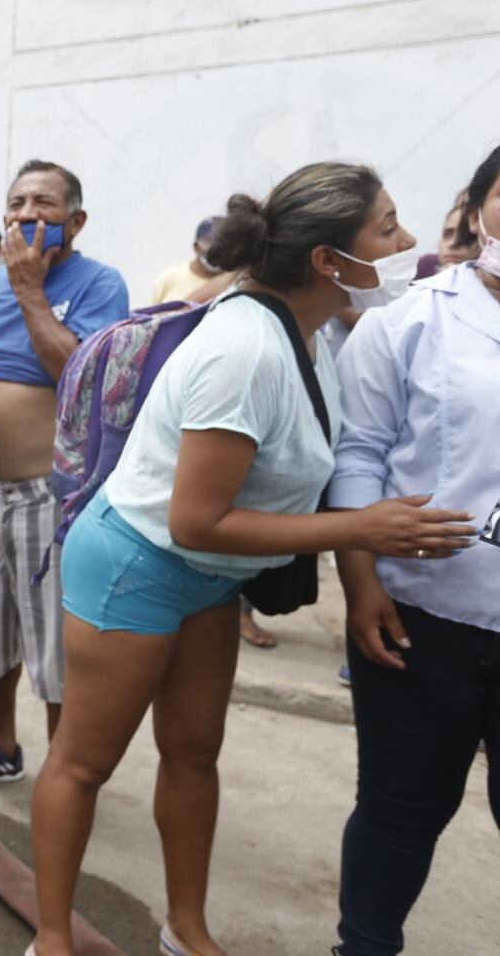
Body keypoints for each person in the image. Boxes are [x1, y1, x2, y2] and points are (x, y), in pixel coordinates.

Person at [28, 162, 470, 956]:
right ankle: (52, 937)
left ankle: (185, 926)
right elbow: (197, 519)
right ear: (328, 262)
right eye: (388, 228)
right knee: (83, 763)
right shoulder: (248, 352)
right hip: (139, 560)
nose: (407, 243)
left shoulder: (301, 328)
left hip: (210, 575)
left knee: (194, 753)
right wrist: (360, 528)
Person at [329, 148, 500, 956]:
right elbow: (358, 453)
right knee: (401, 809)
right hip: (419, 622)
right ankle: (365, 944)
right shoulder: (410, 320)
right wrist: (362, 584)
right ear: (476, 207)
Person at [0, 160, 129, 793]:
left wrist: (30, 290)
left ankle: (63, 767)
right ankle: (1, 744)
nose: (26, 214)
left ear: (75, 221)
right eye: (16, 202)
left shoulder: (101, 284)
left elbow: (87, 380)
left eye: (44, 204)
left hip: (48, 499)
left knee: (53, 644)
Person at [151, 217, 224, 304]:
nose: (214, 252)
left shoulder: (232, 283)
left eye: (222, 246)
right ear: (196, 247)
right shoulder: (169, 278)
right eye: (208, 244)